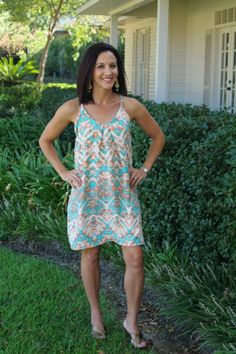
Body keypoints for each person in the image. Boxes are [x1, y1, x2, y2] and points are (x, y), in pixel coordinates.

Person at [39, 42, 165, 349]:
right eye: (101, 67)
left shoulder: (130, 106)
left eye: (112, 66)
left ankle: (131, 320)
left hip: (123, 197)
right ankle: (96, 314)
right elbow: (46, 140)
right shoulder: (73, 109)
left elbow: (158, 136)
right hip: (88, 197)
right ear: (90, 72)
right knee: (91, 254)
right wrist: (63, 173)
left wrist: (144, 169)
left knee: (135, 256)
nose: (108, 72)